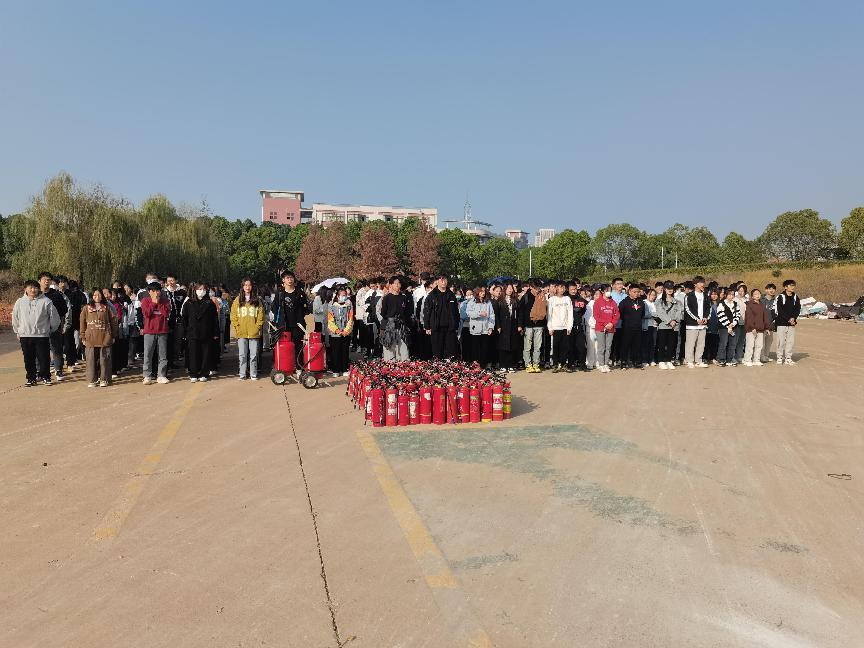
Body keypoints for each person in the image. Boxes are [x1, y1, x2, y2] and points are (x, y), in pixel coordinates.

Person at [12, 279, 61, 386]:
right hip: (25, 335)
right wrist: (18, 331)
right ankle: (31, 378)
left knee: (44, 358)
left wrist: (51, 329)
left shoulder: (46, 301)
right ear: (25, 289)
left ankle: (46, 377)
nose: (33, 290)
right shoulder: (20, 302)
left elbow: (54, 318)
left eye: (35, 287)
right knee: (28, 358)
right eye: (30, 288)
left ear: (38, 289)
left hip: (41, 335)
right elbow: (15, 318)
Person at [181, 282, 220, 382]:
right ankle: (193, 373)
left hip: (206, 332)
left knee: (205, 354)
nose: (201, 291)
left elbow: (214, 319)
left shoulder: (210, 303)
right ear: (195, 290)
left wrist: (215, 332)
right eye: (199, 289)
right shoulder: (189, 303)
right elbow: (184, 319)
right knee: (193, 354)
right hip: (192, 333)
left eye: (203, 289)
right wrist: (185, 332)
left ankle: (204, 373)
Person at [80, 288, 118, 387]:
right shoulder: (86, 308)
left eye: (99, 295)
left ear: (102, 296)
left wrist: (113, 335)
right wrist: (83, 336)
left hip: (105, 336)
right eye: (94, 295)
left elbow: (114, 321)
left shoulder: (107, 308)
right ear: (91, 297)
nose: (97, 297)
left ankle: (104, 379)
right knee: (91, 360)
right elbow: (82, 323)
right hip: (90, 338)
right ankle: (92, 380)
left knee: (104, 359)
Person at [38, 272, 70, 381]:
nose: (46, 281)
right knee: (40, 350)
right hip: (39, 328)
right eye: (44, 279)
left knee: (56, 349)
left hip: (54, 326)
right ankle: (40, 372)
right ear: (39, 281)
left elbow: (64, 309)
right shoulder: (35, 294)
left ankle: (58, 370)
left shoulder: (56, 295)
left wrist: (55, 318)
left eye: (48, 280)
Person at [231, 278, 265, 380]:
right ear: (242, 287)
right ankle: (242, 374)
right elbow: (233, 315)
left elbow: (261, 315)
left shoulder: (257, 300)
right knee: (242, 354)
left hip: (254, 332)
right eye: (245, 285)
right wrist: (237, 326)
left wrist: (257, 327)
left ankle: (253, 374)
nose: (247, 287)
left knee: (254, 355)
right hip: (241, 332)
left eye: (249, 285)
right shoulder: (237, 300)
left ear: (252, 287)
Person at [422, 275, 460, 360]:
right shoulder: (432, 295)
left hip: (450, 328)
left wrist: (456, 324)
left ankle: (449, 366)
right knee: (437, 352)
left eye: (445, 280)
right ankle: (438, 366)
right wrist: (427, 326)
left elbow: (456, 311)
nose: (444, 282)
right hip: (436, 327)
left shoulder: (451, 295)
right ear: (437, 282)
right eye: (441, 280)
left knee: (450, 352)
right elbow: (427, 311)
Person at [140, 281, 171, 385]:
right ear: (149, 292)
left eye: (158, 290)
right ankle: (147, 376)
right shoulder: (145, 301)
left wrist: (159, 303)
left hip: (162, 331)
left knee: (163, 355)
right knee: (148, 354)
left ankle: (161, 375)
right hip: (149, 331)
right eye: (153, 291)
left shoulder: (165, 301)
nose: (156, 293)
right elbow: (146, 314)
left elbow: (166, 313)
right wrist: (153, 303)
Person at [271, 270, 310, 351]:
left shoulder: (300, 293)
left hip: (298, 325)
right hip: (284, 326)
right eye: (287, 278)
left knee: (298, 348)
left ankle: (298, 360)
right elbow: (274, 307)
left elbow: (306, 309)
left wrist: (307, 325)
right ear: (283, 280)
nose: (290, 280)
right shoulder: (280, 293)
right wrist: (278, 320)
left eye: (291, 277)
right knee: (285, 349)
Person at [381, 276, 413, 361]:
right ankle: (390, 362)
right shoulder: (387, 298)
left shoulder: (404, 297)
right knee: (390, 343)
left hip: (401, 324)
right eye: (396, 283)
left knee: (403, 343)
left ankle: (404, 361)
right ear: (391, 285)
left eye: (399, 283)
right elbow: (383, 312)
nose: (398, 285)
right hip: (390, 324)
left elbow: (407, 311)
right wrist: (390, 320)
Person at [519, 279, 547, 373]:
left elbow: (545, 310)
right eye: (535, 288)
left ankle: (536, 363)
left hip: (539, 325)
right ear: (531, 287)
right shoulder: (526, 297)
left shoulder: (542, 296)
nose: (537, 290)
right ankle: (528, 364)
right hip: (528, 325)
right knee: (527, 347)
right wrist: (520, 325)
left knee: (537, 347)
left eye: (538, 288)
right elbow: (521, 312)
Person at [654, 281, 682, 370]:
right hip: (663, 325)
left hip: (674, 326)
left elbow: (680, 312)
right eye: (668, 288)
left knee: (671, 344)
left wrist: (675, 321)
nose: (670, 290)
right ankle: (661, 361)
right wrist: (669, 321)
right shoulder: (659, 301)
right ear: (664, 289)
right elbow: (660, 312)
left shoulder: (677, 302)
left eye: (671, 288)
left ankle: (669, 360)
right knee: (662, 344)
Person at [466, 285, 496, 367]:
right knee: (475, 348)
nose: (483, 293)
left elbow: (492, 315)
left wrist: (490, 327)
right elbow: (468, 313)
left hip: (485, 329)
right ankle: (475, 365)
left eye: (484, 291)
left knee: (485, 348)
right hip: (475, 329)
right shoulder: (472, 301)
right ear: (477, 292)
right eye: (481, 291)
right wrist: (479, 314)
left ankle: (483, 365)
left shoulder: (488, 302)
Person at [683, 276, 710, 368]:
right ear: (695, 284)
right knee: (690, 343)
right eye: (700, 282)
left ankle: (698, 360)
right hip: (692, 324)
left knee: (701, 344)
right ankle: (689, 361)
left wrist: (706, 318)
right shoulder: (689, 296)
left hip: (703, 324)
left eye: (703, 282)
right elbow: (687, 309)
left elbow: (708, 308)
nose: (703, 284)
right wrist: (696, 319)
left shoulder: (705, 295)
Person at [545, 282, 572, 372]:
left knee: (565, 346)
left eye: (563, 288)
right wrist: (550, 327)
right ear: (556, 288)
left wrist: (569, 326)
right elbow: (549, 314)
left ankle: (563, 364)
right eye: (560, 287)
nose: (562, 289)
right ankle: (555, 364)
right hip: (555, 327)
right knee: (555, 346)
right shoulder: (551, 300)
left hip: (565, 327)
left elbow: (570, 313)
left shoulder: (567, 299)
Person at [327, 287, 354, 376]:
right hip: (335, 333)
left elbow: (350, 318)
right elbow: (330, 320)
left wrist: (346, 330)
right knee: (335, 351)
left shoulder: (349, 304)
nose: (344, 297)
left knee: (345, 351)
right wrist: (336, 330)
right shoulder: (331, 305)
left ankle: (344, 369)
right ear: (337, 296)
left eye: (345, 295)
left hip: (346, 332)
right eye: (342, 295)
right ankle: (336, 370)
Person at [493, 283, 520, 372]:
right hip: (503, 325)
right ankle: (503, 365)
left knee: (512, 345)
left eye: (511, 288)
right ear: (505, 289)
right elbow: (496, 315)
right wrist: (498, 326)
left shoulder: (515, 300)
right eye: (508, 288)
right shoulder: (500, 300)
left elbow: (519, 314)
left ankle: (511, 365)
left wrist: (519, 325)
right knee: (503, 346)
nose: (510, 290)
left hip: (513, 325)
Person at [592, 284, 619, 373]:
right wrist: (605, 323)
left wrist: (612, 323)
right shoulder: (597, 302)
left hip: (611, 328)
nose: (609, 292)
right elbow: (596, 315)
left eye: (610, 290)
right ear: (603, 291)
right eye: (607, 290)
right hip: (600, 328)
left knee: (608, 347)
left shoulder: (613, 302)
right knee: (601, 347)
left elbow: (617, 314)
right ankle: (601, 364)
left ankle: (606, 363)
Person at [774, 279, 801, 365]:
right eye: (791, 285)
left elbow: (798, 309)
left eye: (793, 285)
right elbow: (780, 310)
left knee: (790, 341)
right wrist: (789, 319)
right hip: (781, 323)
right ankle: (779, 357)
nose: (793, 287)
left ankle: (788, 358)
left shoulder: (796, 297)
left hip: (792, 323)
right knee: (780, 341)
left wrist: (794, 318)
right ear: (785, 287)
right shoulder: (780, 297)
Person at [743, 288, 770, 366]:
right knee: (750, 345)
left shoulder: (762, 305)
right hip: (751, 329)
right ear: (752, 296)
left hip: (760, 329)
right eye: (755, 294)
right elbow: (749, 317)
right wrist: (752, 327)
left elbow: (765, 317)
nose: (757, 295)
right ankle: (747, 359)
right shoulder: (749, 304)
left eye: (759, 294)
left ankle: (756, 359)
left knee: (759, 345)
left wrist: (767, 328)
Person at [716, 287, 741, 367]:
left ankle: (729, 359)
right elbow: (720, 315)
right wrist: (728, 324)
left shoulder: (736, 304)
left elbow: (738, 315)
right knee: (723, 343)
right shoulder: (721, 304)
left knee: (732, 344)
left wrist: (733, 323)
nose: (731, 296)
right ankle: (721, 359)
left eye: (733, 295)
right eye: (729, 294)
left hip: (734, 327)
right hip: (723, 327)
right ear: (726, 295)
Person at [567, 282, 588, 371]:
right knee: (570, 347)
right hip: (569, 328)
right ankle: (570, 365)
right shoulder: (566, 299)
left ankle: (582, 364)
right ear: (568, 290)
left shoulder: (581, 300)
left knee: (581, 347)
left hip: (579, 327)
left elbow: (583, 311)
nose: (573, 291)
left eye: (575, 289)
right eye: (571, 289)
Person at [760, 283, 778, 363]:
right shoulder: (761, 300)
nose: (771, 290)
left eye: (773, 289)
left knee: (769, 341)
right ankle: (761, 356)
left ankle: (766, 356)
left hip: (771, 325)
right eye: (770, 289)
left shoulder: (776, 301)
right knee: (761, 342)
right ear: (766, 290)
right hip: (762, 325)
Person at [704, 288, 721, 364]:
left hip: (717, 326)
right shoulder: (707, 303)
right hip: (709, 325)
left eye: (716, 294)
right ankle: (705, 357)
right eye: (712, 294)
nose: (714, 296)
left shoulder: (720, 304)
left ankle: (713, 357)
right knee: (707, 343)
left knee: (715, 343)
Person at [641, 288, 658, 368]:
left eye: (654, 295)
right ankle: (644, 360)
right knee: (645, 343)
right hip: (646, 326)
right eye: (651, 295)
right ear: (647, 295)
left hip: (654, 326)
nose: (653, 296)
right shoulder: (643, 303)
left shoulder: (655, 304)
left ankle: (652, 359)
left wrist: (655, 316)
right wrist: (653, 315)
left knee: (653, 343)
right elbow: (643, 314)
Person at [733, 284, 748, 363]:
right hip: (737, 323)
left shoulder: (747, 300)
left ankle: (739, 356)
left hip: (745, 323)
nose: (741, 292)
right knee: (734, 340)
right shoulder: (734, 299)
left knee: (741, 341)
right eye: (739, 291)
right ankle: (732, 356)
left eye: (743, 291)